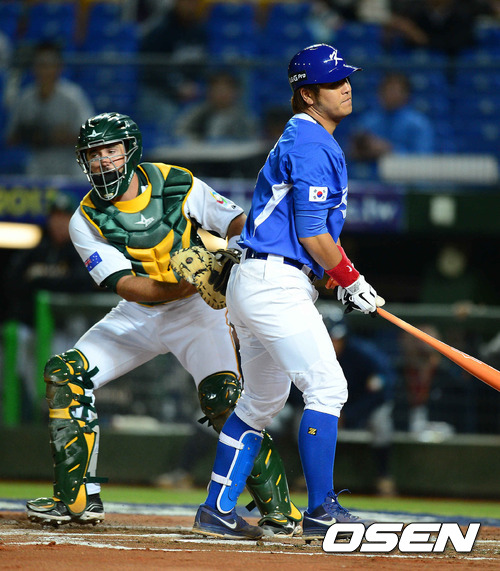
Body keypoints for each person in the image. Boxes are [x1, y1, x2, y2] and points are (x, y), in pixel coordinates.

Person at [25, 112, 302, 537]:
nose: (103, 161)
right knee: (65, 373)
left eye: (111, 150)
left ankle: (281, 512)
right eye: (94, 154)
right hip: (139, 313)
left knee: (225, 400)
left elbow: (237, 222)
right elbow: (127, 286)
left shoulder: (175, 182)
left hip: (199, 313)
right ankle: (76, 498)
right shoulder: (85, 219)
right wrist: (190, 282)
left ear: (131, 150)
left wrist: (232, 257)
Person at [192, 43, 383, 541]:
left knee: (260, 401)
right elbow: (313, 234)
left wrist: (336, 276)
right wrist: (352, 279)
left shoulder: (305, 136)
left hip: (262, 280)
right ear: (308, 94)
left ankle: (216, 509)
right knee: (328, 388)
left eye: (346, 78)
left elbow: (312, 235)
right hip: (274, 284)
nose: (346, 87)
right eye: (333, 82)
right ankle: (321, 509)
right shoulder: (312, 143)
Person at [323, 309, 396, 496]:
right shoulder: (311, 356)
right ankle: (308, 476)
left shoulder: (362, 354)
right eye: (327, 338)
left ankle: (383, 476)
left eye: (336, 338)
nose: (332, 343)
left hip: (363, 407)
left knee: (381, 421)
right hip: (328, 408)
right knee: (304, 421)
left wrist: (350, 414)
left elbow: (384, 388)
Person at [6, 40, 94, 177]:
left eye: (49, 65)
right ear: (34, 68)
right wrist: (32, 133)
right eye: (41, 65)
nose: (45, 71)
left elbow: (91, 136)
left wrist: (64, 136)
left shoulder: (73, 96)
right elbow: (11, 138)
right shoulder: (26, 98)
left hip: (69, 167)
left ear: (59, 67)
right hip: (36, 166)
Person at [349, 71, 435, 162]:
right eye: (386, 90)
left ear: (406, 94)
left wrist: (389, 150)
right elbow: (352, 152)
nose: (389, 94)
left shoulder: (419, 123)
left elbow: (423, 157)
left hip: (405, 170)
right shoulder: (367, 121)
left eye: (394, 90)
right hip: (370, 168)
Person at [175, 71, 259, 143]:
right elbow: (179, 132)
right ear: (209, 91)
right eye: (217, 89)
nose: (222, 94)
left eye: (226, 89)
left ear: (235, 92)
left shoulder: (244, 117)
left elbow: (251, 140)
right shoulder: (198, 112)